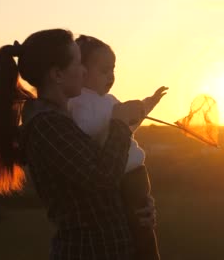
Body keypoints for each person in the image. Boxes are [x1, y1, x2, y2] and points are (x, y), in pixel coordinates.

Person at [0, 28, 157, 259]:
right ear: (57, 75)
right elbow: (102, 177)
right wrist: (118, 123)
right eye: (78, 63)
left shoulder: (68, 121)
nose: (84, 70)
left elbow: (104, 186)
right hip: (88, 251)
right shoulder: (48, 128)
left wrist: (137, 208)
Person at [69, 34, 166, 259]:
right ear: (82, 70)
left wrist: (148, 104)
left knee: (144, 225)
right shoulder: (80, 101)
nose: (111, 76)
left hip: (135, 172)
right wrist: (117, 118)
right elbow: (87, 131)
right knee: (140, 226)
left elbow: (127, 128)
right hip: (122, 175)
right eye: (104, 70)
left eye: (113, 69)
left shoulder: (109, 99)